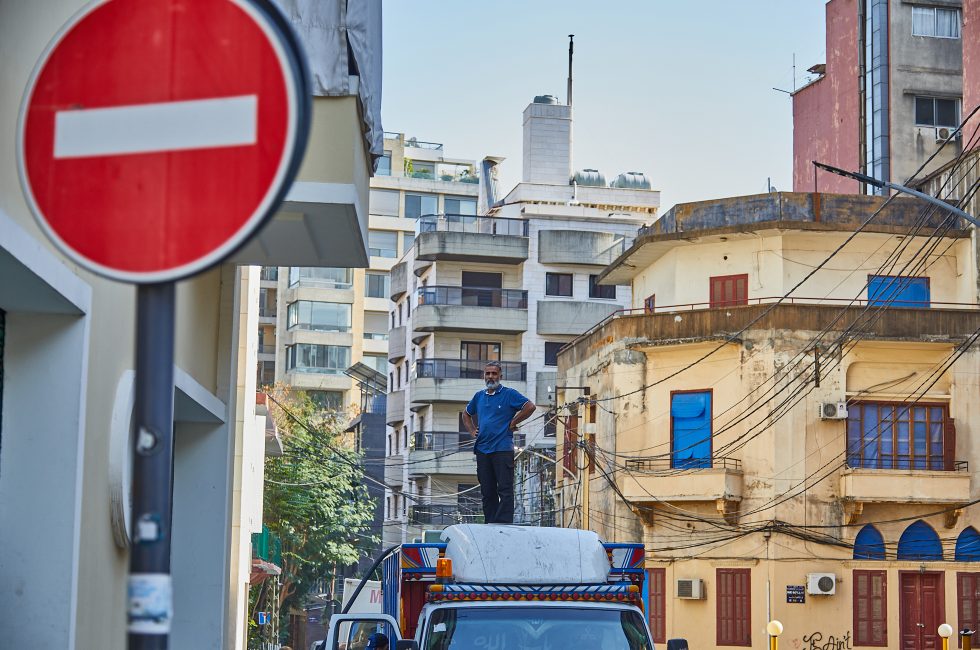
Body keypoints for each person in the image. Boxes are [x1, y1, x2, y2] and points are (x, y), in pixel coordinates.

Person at [462, 360, 536, 524]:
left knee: (505, 489)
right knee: (487, 491)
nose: (490, 376)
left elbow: (530, 407)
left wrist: (513, 422)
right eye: (487, 373)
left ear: (500, 376)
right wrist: (472, 430)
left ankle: (503, 523)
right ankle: (490, 523)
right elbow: (466, 414)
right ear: (484, 376)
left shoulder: (509, 394)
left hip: (502, 449)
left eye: (494, 373)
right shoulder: (479, 396)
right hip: (482, 450)